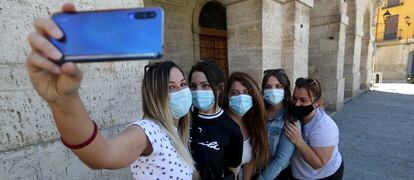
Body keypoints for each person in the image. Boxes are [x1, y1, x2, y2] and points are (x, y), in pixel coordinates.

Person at [26, 3, 195, 179]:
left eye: (183, 84)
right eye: (170, 87)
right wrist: (64, 102)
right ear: (154, 95)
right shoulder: (148, 131)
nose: (181, 91)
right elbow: (101, 155)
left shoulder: (179, 130)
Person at [188, 60, 243, 180]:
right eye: (193, 86)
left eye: (205, 85)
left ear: (220, 88)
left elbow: (232, 173)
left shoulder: (231, 129)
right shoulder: (182, 119)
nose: (198, 91)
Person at [285, 77, 344, 180]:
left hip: (324, 176)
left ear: (316, 102)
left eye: (303, 100)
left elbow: (319, 164)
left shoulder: (325, 127)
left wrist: (298, 141)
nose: (297, 104)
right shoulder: (295, 114)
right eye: (294, 99)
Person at [222, 72, 269, 180]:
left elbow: (251, 160)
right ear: (227, 96)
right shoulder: (220, 123)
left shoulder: (253, 123)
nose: (241, 98)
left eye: (246, 92)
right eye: (235, 93)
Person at [257, 69, 300, 180]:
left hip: (276, 175)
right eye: (268, 86)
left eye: (278, 86)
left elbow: (281, 160)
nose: (273, 90)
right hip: (254, 170)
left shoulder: (290, 119)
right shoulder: (257, 113)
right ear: (263, 90)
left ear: (285, 90)